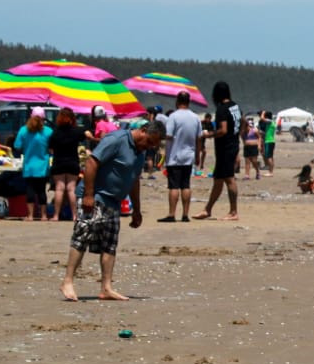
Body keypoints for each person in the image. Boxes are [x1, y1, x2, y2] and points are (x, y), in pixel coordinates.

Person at [60, 120, 165, 301]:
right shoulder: (116, 139)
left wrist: (137, 210)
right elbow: (92, 162)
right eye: (148, 141)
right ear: (143, 130)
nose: (148, 147)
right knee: (82, 237)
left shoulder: (140, 153)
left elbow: (134, 181)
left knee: (110, 244)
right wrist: (89, 195)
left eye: (152, 145)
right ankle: (67, 281)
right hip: (95, 196)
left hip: (114, 201)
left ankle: (106, 288)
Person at [195, 81, 241, 220]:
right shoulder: (235, 106)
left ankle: (233, 212)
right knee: (218, 179)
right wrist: (237, 135)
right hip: (232, 145)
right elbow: (243, 122)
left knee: (229, 178)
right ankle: (207, 209)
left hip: (226, 148)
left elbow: (223, 130)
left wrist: (208, 134)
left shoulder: (222, 109)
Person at [160, 91, 202, 222]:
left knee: (173, 186)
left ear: (177, 101)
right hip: (189, 156)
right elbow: (199, 138)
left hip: (174, 156)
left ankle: (172, 214)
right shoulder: (195, 117)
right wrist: (198, 155)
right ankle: (185, 215)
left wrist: (159, 136)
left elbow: (169, 135)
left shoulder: (173, 116)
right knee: (185, 185)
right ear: (189, 102)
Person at [14, 107, 53, 221]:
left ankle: (30, 215)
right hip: (43, 166)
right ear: (44, 118)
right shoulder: (48, 131)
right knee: (42, 190)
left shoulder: (23, 130)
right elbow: (52, 148)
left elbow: (17, 146)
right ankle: (44, 216)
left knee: (30, 190)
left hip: (29, 165)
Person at [47, 107, 85, 222]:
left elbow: (50, 148)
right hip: (72, 162)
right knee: (71, 189)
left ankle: (56, 215)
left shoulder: (55, 132)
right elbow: (84, 135)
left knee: (59, 189)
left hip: (58, 162)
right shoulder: (76, 131)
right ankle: (74, 215)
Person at [241, 115, 262, 180]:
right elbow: (243, 138)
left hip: (254, 147)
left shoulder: (254, 130)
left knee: (254, 161)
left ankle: (258, 172)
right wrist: (245, 143)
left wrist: (259, 145)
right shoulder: (243, 132)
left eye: (245, 127)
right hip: (247, 147)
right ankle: (247, 175)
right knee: (247, 161)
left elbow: (259, 137)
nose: (245, 129)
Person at [260, 110, 277, 175]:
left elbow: (262, 118)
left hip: (268, 141)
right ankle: (271, 170)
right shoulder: (273, 122)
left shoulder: (270, 121)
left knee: (268, 157)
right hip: (271, 140)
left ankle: (270, 172)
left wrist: (263, 113)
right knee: (271, 156)